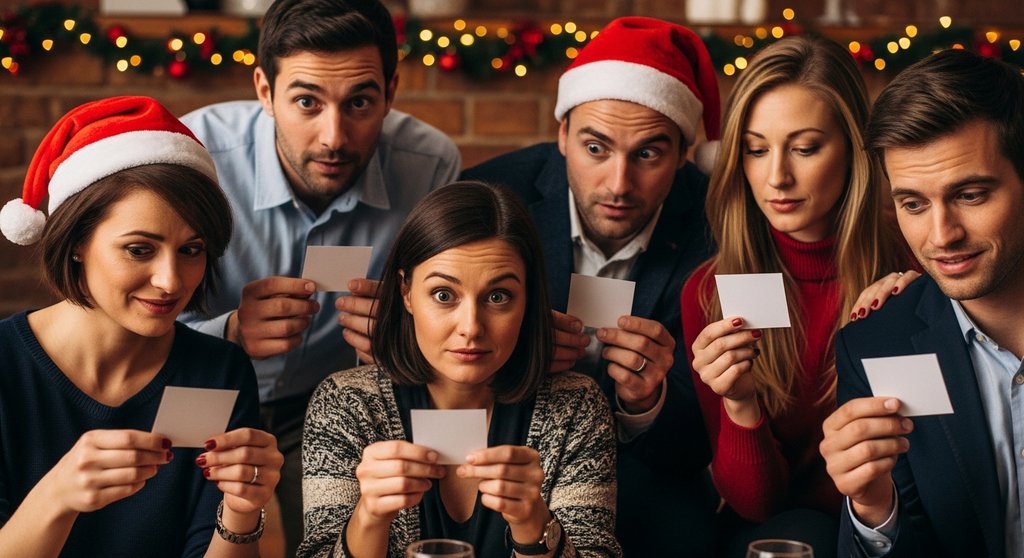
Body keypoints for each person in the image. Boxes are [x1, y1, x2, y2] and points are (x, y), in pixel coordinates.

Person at [178, 0, 461, 551]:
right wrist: (229, 333)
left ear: (391, 90)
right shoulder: (199, 155)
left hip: (336, 404)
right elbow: (131, 314)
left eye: (359, 102)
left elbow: (451, 309)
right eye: (307, 102)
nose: (334, 136)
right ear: (264, 90)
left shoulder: (430, 165)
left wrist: (408, 324)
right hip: (200, 391)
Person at [460, 17, 721, 555]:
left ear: (683, 152)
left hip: (643, 469)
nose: (619, 184)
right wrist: (514, 358)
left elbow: (704, 436)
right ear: (561, 134)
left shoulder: (716, 227)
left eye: (648, 153)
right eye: (596, 148)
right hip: (502, 443)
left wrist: (648, 401)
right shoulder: (491, 197)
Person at [0, 96, 283, 557]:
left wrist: (241, 511)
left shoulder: (218, 372)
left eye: (191, 250)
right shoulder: (7, 366)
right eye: (139, 249)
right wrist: (58, 497)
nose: (171, 282)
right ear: (75, 243)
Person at [298, 181, 619, 557]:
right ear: (405, 292)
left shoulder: (575, 405)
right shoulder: (346, 403)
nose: (471, 326)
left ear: (527, 299)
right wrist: (369, 517)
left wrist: (534, 522)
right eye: (444, 295)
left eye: (498, 297)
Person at [680, 36, 908, 557]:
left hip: (903, 520)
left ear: (853, 147)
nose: (777, 177)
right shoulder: (710, 293)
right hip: (790, 531)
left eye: (805, 148)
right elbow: (758, 508)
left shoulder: (917, 266)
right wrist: (739, 402)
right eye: (757, 150)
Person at [820, 50, 1024, 558]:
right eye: (913, 203)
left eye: (972, 195)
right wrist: (872, 507)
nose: (941, 236)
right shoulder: (875, 345)